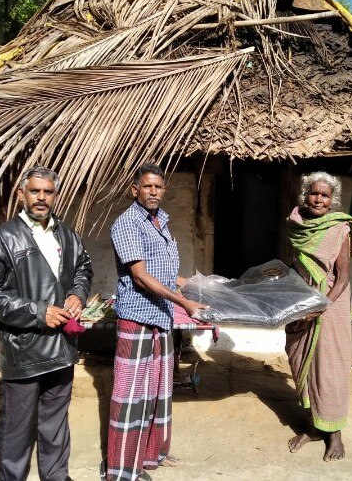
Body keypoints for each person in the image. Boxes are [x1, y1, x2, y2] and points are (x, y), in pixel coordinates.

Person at [0, 166, 93, 481]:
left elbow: (83, 267)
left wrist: (77, 295)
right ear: (21, 194)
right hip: (24, 352)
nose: (42, 198)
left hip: (63, 348)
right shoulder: (3, 239)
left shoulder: (67, 234)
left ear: (55, 195)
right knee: (17, 429)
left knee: (55, 424)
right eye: (35, 191)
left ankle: (56, 476)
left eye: (48, 192)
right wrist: (38, 312)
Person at [102, 163, 208, 481]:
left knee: (156, 393)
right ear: (134, 190)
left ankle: (149, 457)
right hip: (137, 319)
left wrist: (188, 283)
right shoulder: (127, 224)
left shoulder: (160, 222)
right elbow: (141, 276)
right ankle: (121, 470)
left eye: (158, 187)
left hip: (160, 319)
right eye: (147, 186)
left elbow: (162, 270)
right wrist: (184, 302)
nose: (153, 192)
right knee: (130, 397)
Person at [285, 171, 352, 461]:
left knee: (329, 367)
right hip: (303, 299)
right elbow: (297, 263)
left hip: (331, 302)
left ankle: (335, 436)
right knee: (298, 355)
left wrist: (321, 304)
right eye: (314, 193)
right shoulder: (297, 223)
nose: (319, 199)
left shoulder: (338, 228)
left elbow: (342, 278)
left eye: (325, 195)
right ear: (306, 195)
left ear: (332, 200)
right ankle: (313, 427)